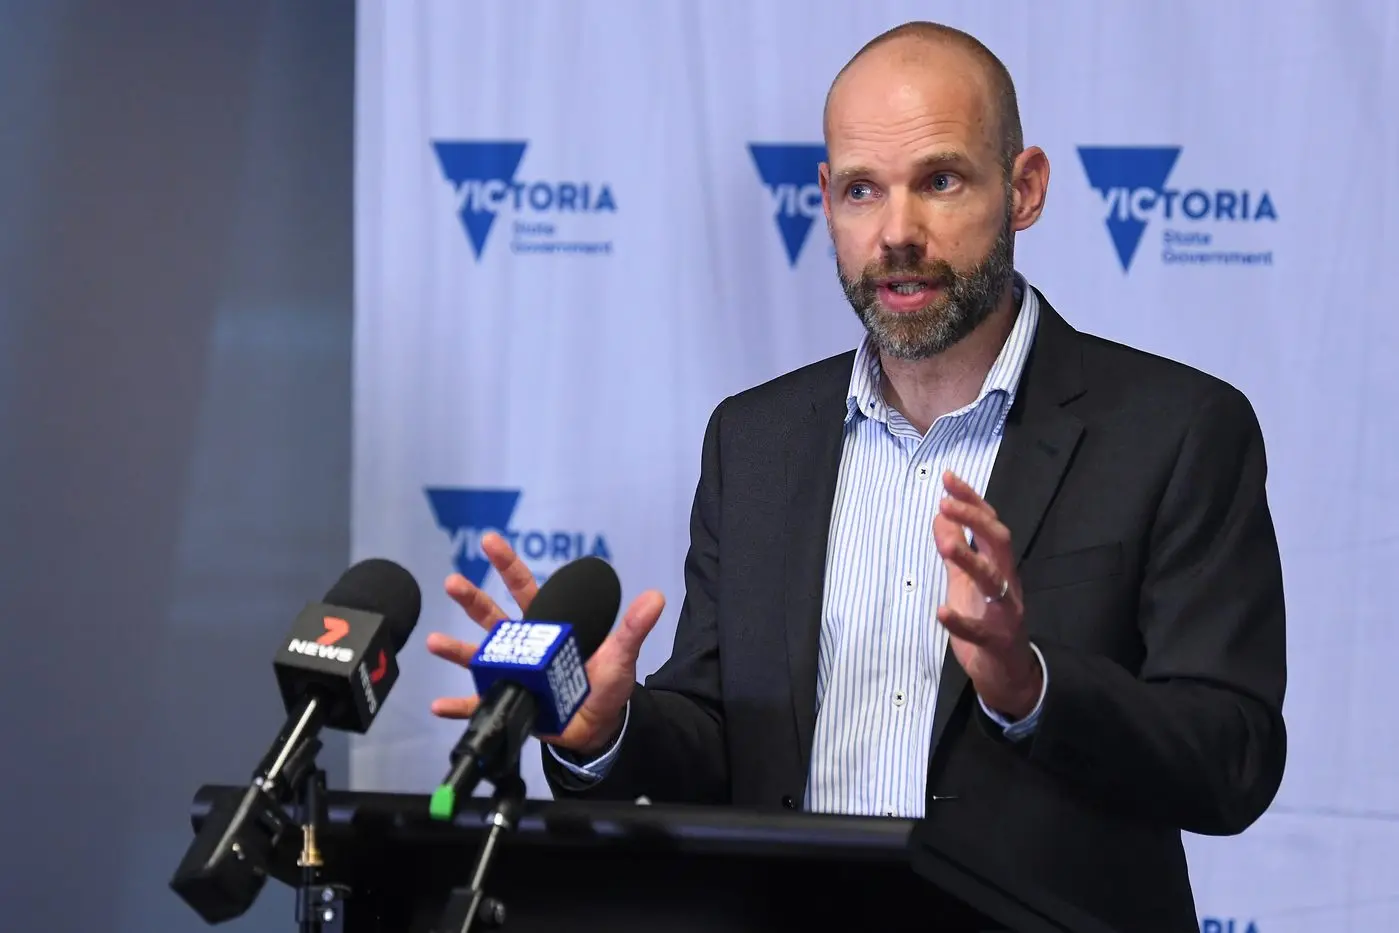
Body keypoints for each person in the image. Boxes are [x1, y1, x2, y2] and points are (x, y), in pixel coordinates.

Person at [425, 20, 1287, 932]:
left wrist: (1028, 685)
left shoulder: (1176, 428)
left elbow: (1230, 758)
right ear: (825, 200)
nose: (897, 233)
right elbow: (725, 736)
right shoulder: (752, 441)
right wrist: (612, 730)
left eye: (940, 181)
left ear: (1024, 189)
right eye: (860, 191)